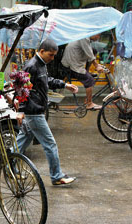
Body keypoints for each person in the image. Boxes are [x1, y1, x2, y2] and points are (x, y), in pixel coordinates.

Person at [17, 39, 78, 185]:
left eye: (54, 56)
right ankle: (57, 176)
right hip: (34, 112)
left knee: (22, 141)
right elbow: (21, 88)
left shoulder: (41, 65)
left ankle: (8, 167)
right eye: (50, 55)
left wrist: (64, 84)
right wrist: (21, 110)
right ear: (42, 51)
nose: (52, 58)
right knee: (50, 144)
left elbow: (46, 81)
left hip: (35, 110)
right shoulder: (31, 66)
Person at [61, 34, 105, 110]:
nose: (98, 37)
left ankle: (86, 72)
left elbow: (91, 52)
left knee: (93, 50)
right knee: (90, 80)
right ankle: (89, 103)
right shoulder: (84, 37)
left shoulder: (85, 37)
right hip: (71, 67)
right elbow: (88, 52)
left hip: (73, 64)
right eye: (98, 35)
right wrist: (96, 65)